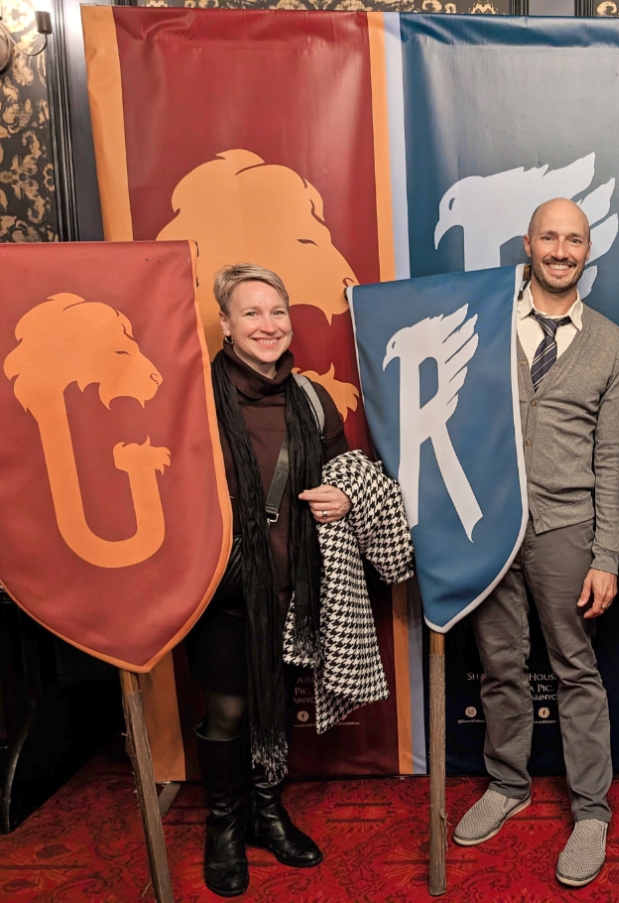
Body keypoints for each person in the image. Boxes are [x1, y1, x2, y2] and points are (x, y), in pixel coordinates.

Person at [451, 198, 619, 888]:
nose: (561, 249)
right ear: (527, 244)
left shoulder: (610, 343)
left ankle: (591, 808)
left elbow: (610, 460)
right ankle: (507, 783)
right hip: (492, 525)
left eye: (574, 239)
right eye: (549, 237)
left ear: (588, 250)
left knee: (574, 667)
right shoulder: (482, 320)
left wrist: (606, 555)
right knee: (499, 662)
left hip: (567, 528)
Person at [185, 263, 350, 897]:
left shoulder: (311, 398)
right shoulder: (196, 397)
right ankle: (224, 823)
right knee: (229, 706)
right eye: (250, 313)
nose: (267, 324)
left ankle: (266, 810)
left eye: (277, 312)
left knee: (278, 704)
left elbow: (340, 470)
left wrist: (342, 494)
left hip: (296, 585)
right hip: (224, 589)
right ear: (224, 324)